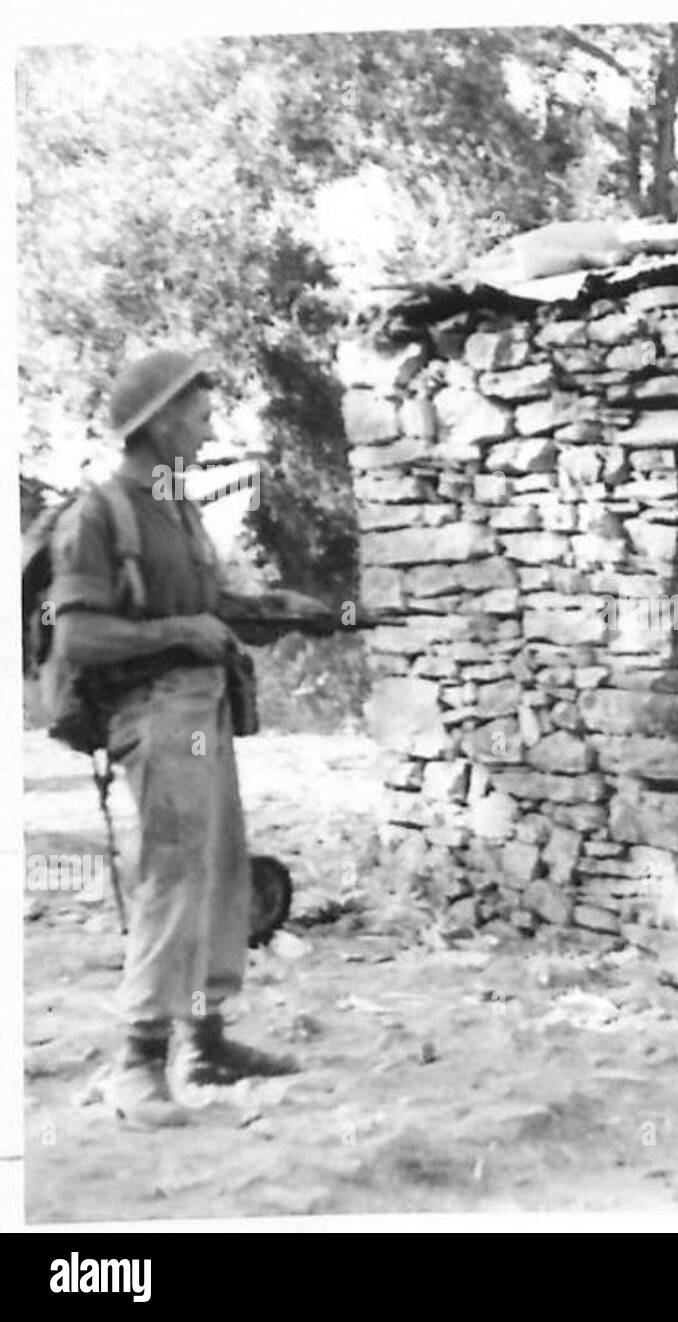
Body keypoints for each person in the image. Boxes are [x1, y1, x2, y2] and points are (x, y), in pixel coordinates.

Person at [50, 349, 316, 1128]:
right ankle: (137, 1061)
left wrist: (269, 608)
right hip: (154, 714)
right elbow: (78, 636)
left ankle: (204, 1042)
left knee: (220, 868)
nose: (209, 430)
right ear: (161, 420)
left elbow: (206, 607)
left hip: (205, 712)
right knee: (172, 871)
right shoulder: (100, 514)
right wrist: (186, 629)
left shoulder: (178, 507)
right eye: (199, 417)